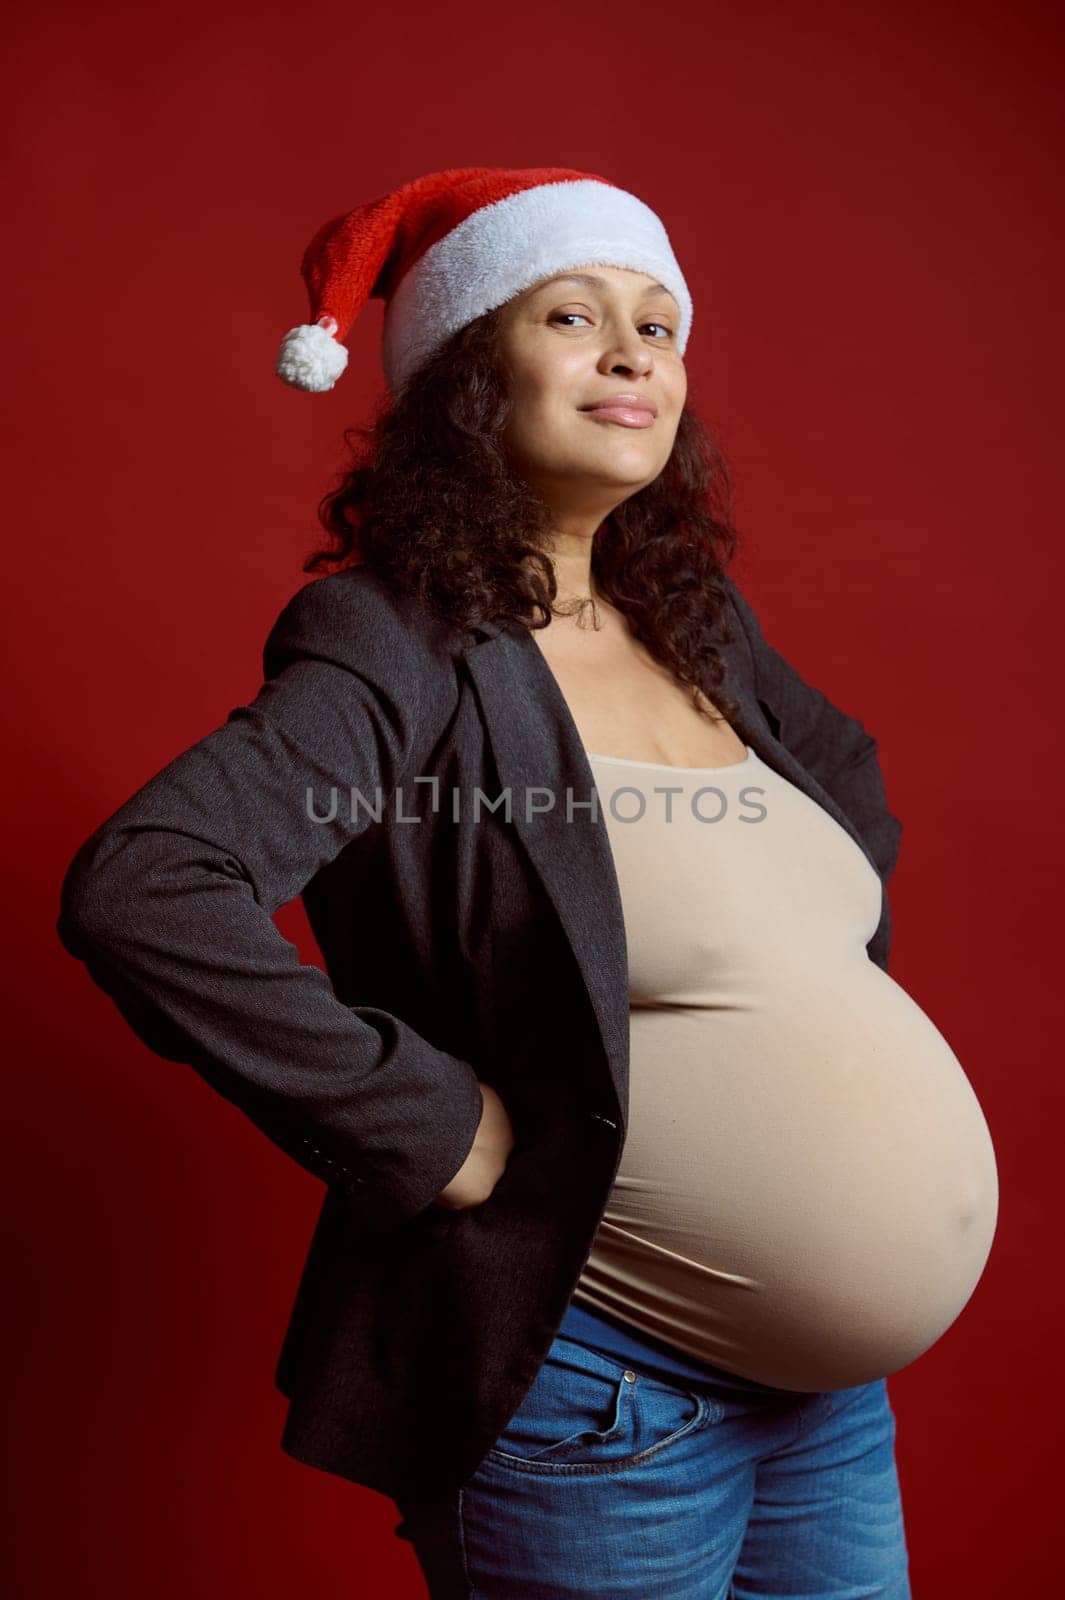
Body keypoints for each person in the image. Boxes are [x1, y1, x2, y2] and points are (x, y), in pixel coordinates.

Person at [57, 167, 998, 1599]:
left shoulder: (693, 629)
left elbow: (846, 778)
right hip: (602, 1400)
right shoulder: (396, 644)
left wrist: (802, 1005)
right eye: (573, 314)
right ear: (462, 378)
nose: (634, 353)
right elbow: (148, 886)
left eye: (660, 324)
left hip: (821, 1415)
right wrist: (427, 1123)